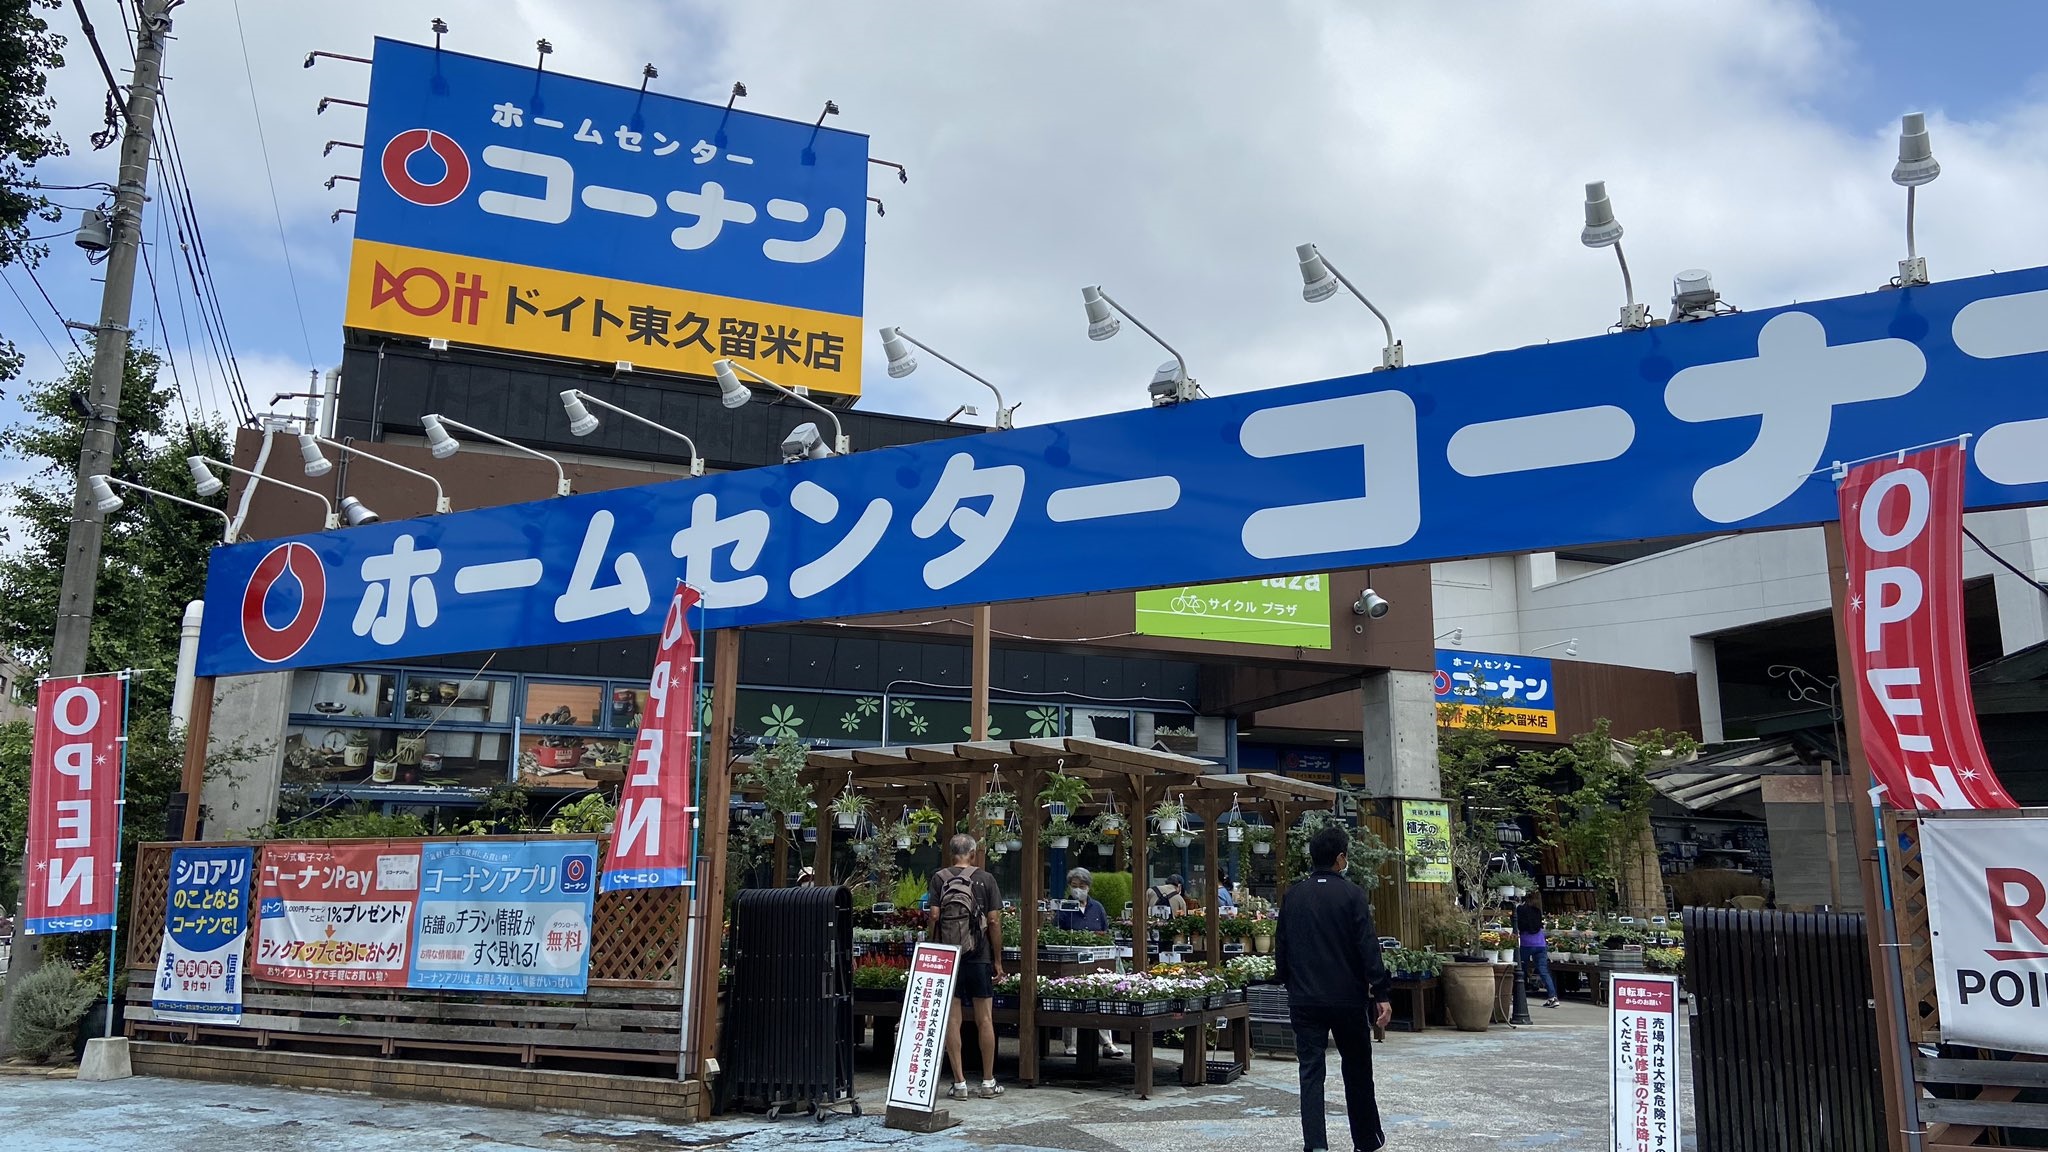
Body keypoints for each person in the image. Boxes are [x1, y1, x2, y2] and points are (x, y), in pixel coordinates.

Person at [1277, 823, 1392, 1152]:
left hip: (1305, 999)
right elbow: (1368, 947)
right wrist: (1381, 993)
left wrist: (1289, 981)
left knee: (1311, 1071)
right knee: (1357, 1069)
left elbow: (1281, 949)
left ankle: (1316, 1145)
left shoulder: (1293, 896)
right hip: (1347, 998)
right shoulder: (1353, 895)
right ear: (1340, 858)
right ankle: (1365, 1140)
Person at [927, 834, 1006, 1100]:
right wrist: (997, 959)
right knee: (985, 1019)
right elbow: (993, 921)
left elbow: (935, 915)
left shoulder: (939, 878)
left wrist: (934, 944)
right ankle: (987, 1082)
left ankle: (959, 1084)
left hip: (949, 956)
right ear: (973, 854)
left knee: (953, 1019)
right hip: (980, 956)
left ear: (951, 854)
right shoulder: (986, 879)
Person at [1054, 867, 1124, 1059]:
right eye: (1074, 886)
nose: (1078, 890)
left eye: (1082, 886)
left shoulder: (1097, 908)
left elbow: (1105, 932)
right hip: (1071, 960)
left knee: (1099, 998)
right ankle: (1071, 1044)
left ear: (1088, 887)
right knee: (1072, 997)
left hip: (1096, 961)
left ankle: (1108, 1043)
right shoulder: (1064, 907)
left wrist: (1097, 938)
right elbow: (1056, 932)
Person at [1516, 891, 1560, 1008]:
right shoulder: (1537, 910)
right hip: (1540, 943)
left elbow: (1518, 924)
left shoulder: (1520, 909)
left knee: (1520, 968)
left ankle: (1518, 994)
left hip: (1526, 942)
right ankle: (1552, 997)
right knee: (1544, 971)